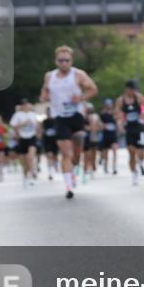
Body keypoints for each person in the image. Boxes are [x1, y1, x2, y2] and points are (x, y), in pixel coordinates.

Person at [39, 45, 99, 199]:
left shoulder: (78, 74)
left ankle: (75, 167)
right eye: (61, 60)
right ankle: (68, 186)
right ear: (56, 61)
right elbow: (44, 92)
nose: (64, 63)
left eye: (67, 60)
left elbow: (93, 89)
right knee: (66, 153)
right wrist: (44, 96)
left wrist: (82, 97)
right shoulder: (49, 76)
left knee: (76, 154)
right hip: (59, 118)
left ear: (71, 61)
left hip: (76, 116)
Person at [115, 79, 144, 186]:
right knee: (131, 152)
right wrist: (120, 124)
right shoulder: (121, 100)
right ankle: (134, 173)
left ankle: (140, 162)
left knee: (141, 151)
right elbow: (117, 113)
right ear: (126, 89)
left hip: (139, 127)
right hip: (129, 128)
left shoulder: (139, 97)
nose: (132, 91)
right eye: (130, 89)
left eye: (133, 89)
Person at [10, 99, 40, 188]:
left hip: (32, 137)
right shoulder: (17, 115)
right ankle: (25, 175)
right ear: (22, 106)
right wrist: (23, 124)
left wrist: (38, 131)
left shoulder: (33, 114)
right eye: (23, 105)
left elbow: (37, 126)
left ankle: (33, 173)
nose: (25, 106)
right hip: (22, 138)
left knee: (30, 157)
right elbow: (13, 126)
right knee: (24, 161)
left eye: (26, 104)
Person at [99, 98, 119, 175]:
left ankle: (114, 168)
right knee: (105, 153)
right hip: (105, 135)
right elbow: (100, 124)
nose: (109, 106)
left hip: (113, 135)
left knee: (115, 151)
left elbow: (118, 122)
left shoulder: (114, 114)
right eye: (107, 104)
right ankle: (105, 166)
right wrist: (103, 125)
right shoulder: (102, 114)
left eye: (110, 104)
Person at [83, 103, 102, 182]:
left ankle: (92, 168)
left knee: (93, 154)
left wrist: (95, 127)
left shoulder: (95, 116)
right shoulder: (82, 117)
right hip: (85, 138)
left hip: (93, 137)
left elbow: (99, 126)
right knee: (87, 155)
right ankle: (86, 170)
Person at [41, 108, 59, 181]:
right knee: (49, 155)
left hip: (55, 140)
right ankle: (50, 172)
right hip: (47, 141)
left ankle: (56, 166)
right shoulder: (44, 121)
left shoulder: (56, 120)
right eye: (48, 112)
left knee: (55, 156)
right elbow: (41, 130)